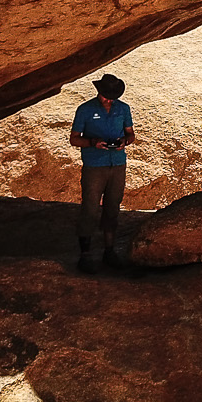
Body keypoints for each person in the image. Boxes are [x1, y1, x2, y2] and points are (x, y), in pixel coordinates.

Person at [69, 72, 136, 272]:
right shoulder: (85, 110)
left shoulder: (123, 109)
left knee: (112, 207)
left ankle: (109, 251)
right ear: (99, 92)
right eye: (106, 95)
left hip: (117, 164)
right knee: (90, 207)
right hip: (94, 165)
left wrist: (124, 142)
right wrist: (92, 143)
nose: (108, 99)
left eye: (112, 96)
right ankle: (85, 255)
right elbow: (74, 139)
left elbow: (130, 134)